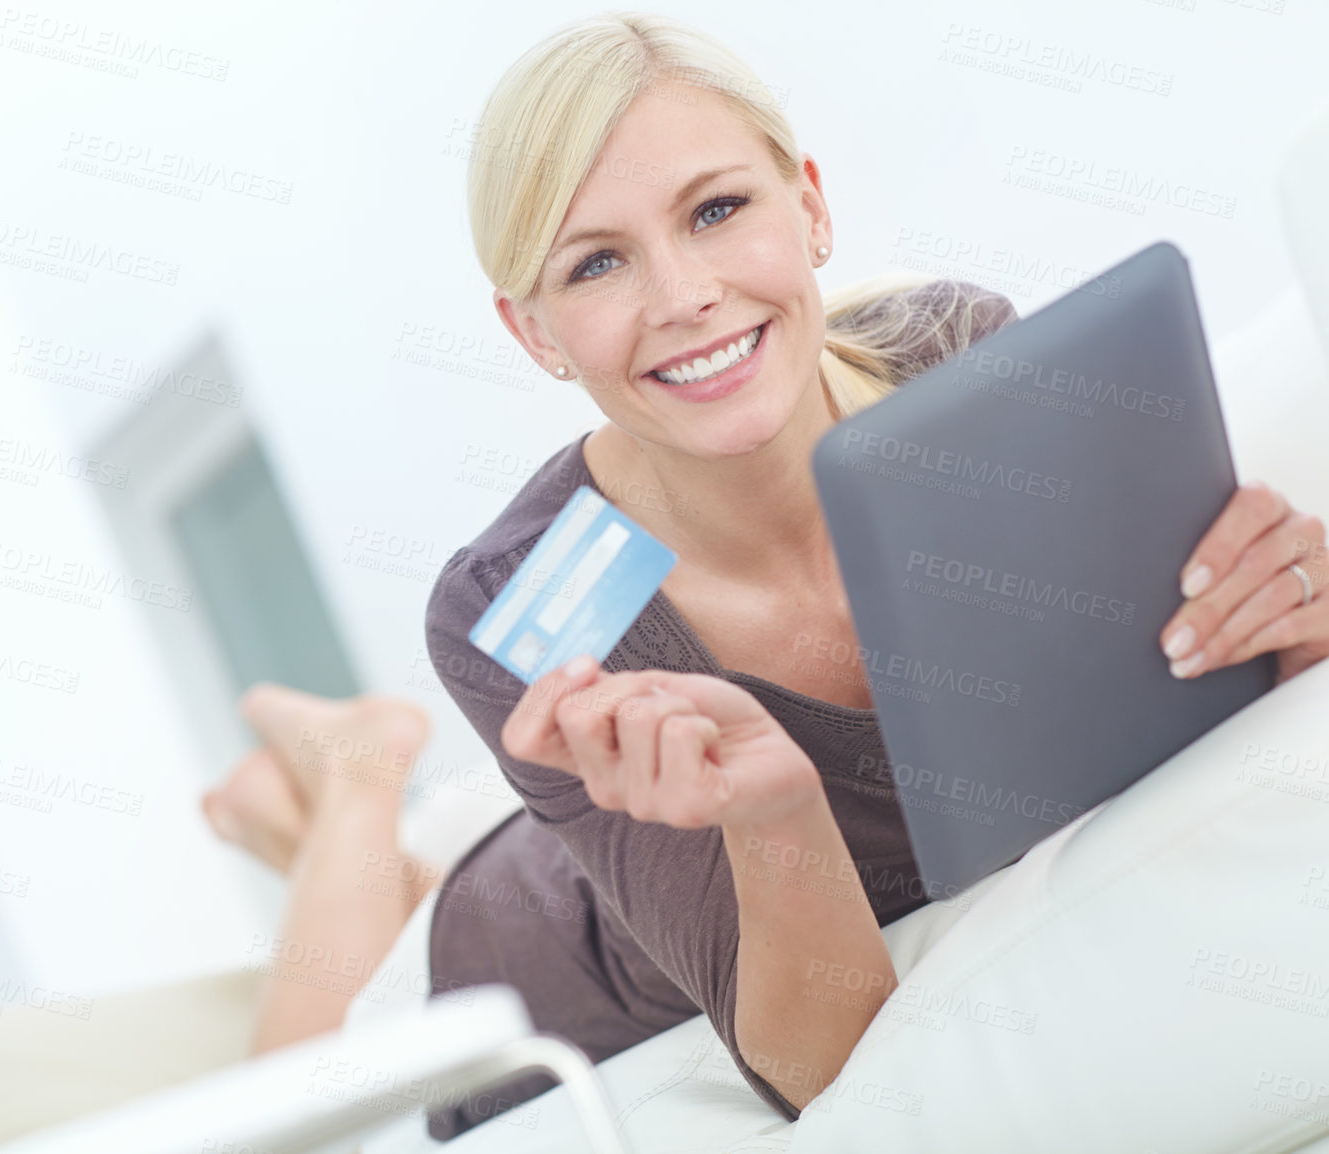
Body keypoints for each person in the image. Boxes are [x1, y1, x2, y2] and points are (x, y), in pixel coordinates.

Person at [205, 9, 1329, 1137]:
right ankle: (349, 780)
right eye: (596, 262)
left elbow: (1135, 675)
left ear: (811, 206)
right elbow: (812, 1067)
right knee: (294, 1111)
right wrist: (776, 801)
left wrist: (1285, 609)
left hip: (573, 837)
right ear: (534, 332)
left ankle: (336, 807)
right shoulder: (516, 600)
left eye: (716, 209)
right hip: (544, 944)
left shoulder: (956, 359)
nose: (683, 294)